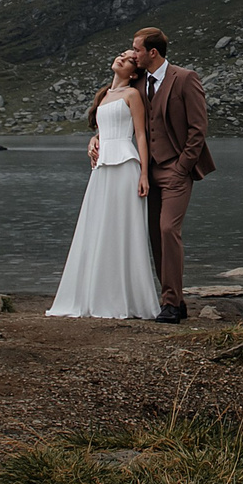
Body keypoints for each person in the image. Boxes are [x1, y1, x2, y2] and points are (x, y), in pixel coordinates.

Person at [48, 50, 160, 318]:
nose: (121, 58)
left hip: (124, 166)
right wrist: (94, 139)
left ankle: (123, 299)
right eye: (122, 54)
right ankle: (94, 294)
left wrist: (145, 174)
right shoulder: (105, 95)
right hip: (101, 169)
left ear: (134, 73)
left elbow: (141, 135)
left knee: (121, 229)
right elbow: (106, 127)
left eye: (129, 59)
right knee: (96, 227)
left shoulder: (133, 95)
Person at [129, 26, 212, 322]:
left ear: (153, 52)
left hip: (176, 170)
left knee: (168, 230)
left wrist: (182, 167)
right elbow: (109, 107)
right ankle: (174, 300)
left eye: (136, 49)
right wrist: (95, 138)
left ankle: (172, 305)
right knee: (154, 236)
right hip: (145, 174)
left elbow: (198, 129)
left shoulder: (185, 78)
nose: (133, 54)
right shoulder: (136, 82)